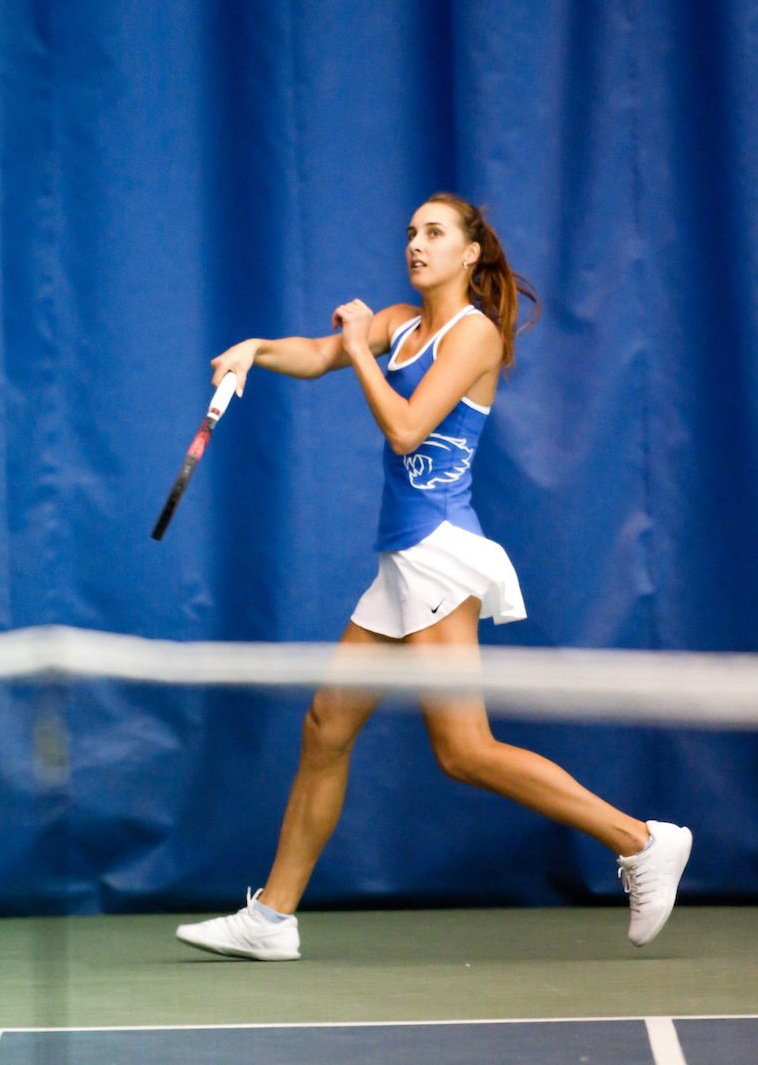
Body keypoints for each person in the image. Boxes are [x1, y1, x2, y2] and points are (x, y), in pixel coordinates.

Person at [176, 194, 692, 961]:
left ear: (470, 252)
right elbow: (316, 355)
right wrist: (255, 347)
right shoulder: (399, 323)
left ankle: (642, 840)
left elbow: (407, 425)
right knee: (327, 724)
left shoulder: (475, 333)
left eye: (434, 233)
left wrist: (357, 351)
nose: (416, 244)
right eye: (410, 232)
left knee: (464, 751)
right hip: (402, 559)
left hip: (441, 553)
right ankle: (273, 917)